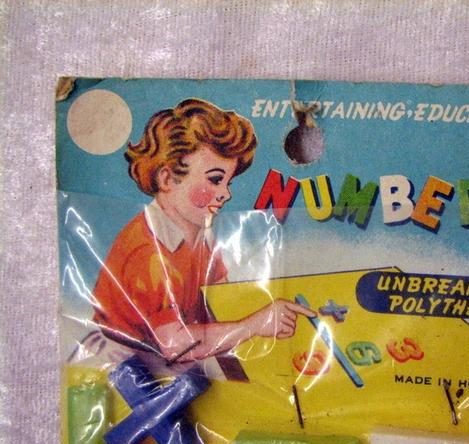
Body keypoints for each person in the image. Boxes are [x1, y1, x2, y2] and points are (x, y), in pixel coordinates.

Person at [92, 98, 314, 365]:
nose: (226, 194)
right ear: (167, 178)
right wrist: (253, 325)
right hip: (120, 362)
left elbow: (221, 300)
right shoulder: (147, 253)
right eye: (215, 180)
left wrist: (267, 313)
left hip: (173, 353)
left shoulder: (198, 235)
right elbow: (175, 344)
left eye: (228, 182)